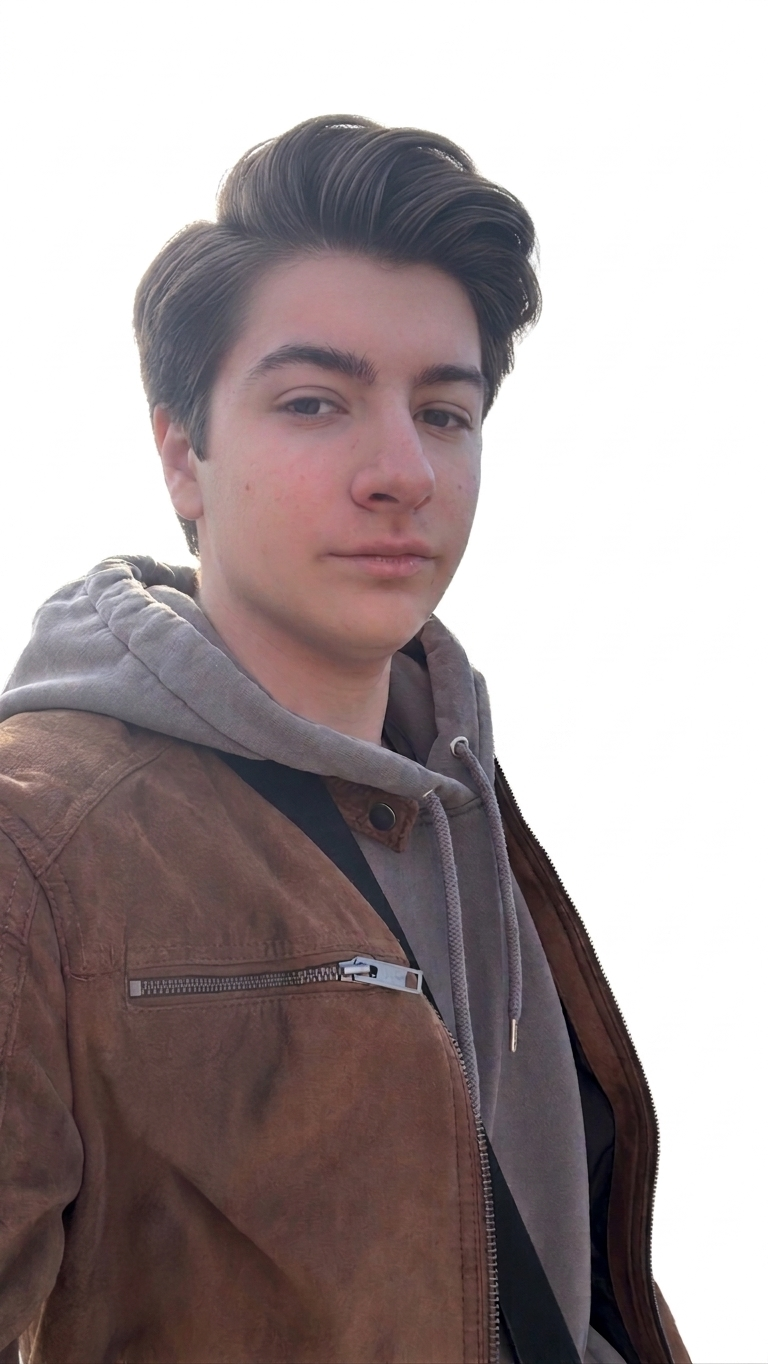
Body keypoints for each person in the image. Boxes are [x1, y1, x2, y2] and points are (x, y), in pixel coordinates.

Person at [0, 115, 689, 1364]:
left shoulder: (468, 811)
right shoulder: (36, 839)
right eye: (315, 402)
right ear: (184, 455)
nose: (402, 469)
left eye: (446, 412)